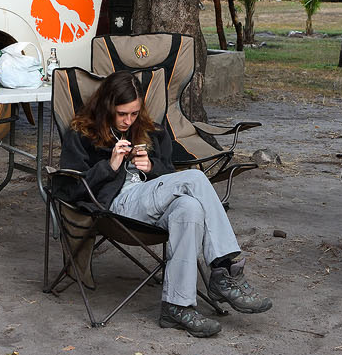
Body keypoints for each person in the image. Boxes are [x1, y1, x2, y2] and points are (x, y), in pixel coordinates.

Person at [60, 70, 271, 337]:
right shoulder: (82, 133)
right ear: (106, 107)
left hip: (152, 201)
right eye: (122, 114)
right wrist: (109, 166)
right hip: (117, 207)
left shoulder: (150, 132)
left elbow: (169, 175)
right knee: (194, 178)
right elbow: (70, 189)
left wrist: (151, 167)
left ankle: (176, 306)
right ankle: (223, 268)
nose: (128, 120)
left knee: (189, 208)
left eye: (134, 113)